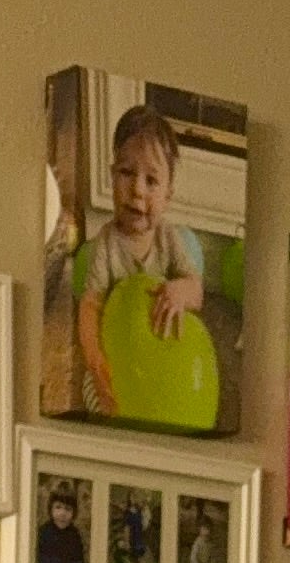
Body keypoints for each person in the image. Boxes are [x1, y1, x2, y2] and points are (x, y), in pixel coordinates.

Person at [73, 101, 205, 414]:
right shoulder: (105, 245)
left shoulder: (169, 238)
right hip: (120, 355)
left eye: (152, 180)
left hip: (159, 352)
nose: (137, 190)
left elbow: (197, 292)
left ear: (168, 195)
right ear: (110, 177)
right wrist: (94, 358)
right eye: (126, 173)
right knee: (96, 399)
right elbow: (90, 305)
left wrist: (177, 291)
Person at [34, 472, 89, 563]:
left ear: (74, 513)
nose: (62, 513)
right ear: (51, 509)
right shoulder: (45, 531)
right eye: (58, 507)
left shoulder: (74, 534)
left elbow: (79, 560)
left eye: (68, 509)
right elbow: (43, 557)